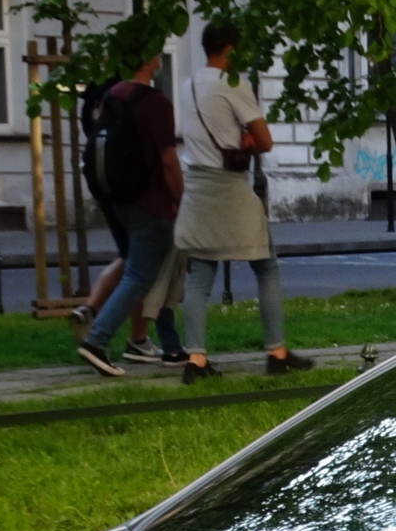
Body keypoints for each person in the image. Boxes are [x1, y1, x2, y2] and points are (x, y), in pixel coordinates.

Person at [174, 21, 313, 381]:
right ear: (230, 50)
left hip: (197, 187)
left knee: (198, 277)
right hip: (231, 187)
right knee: (266, 267)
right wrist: (246, 140)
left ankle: (196, 361)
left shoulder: (186, 87)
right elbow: (264, 141)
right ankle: (277, 352)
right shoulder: (233, 85)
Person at [74, 49, 181, 378]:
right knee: (139, 276)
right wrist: (181, 198)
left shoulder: (114, 95)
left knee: (138, 269)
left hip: (121, 199)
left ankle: (143, 342)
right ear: (150, 60)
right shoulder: (155, 102)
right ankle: (97, 340)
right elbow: (167, 159)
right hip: (152, 202)